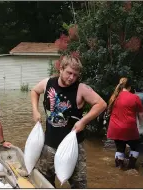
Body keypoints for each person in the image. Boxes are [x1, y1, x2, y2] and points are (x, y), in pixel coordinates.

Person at [30, 55, 107, 188]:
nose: (71, 78)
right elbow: (34, 91)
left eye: (75, 75)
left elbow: (101, 104)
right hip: (49, 144)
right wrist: (35, 110)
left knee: (78, 183)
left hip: (74, 147)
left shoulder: (81, 89)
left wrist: (83, 121)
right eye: (69, 73)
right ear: (61, 69)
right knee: (44, 180)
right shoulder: (48, 83)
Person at [106, 77, 143, 170]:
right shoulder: (135, 97)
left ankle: (119, 168)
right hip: (129, 128)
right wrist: (142, 125)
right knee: (135, 147)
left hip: (115, 128)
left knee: (120, 149)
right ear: (130, 87)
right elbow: (140, 115)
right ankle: (131, 168)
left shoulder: (114, 97)